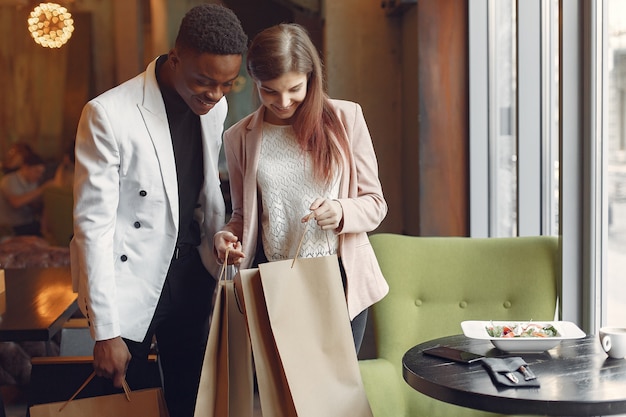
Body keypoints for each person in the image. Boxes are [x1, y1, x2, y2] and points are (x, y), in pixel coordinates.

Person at [70, 4, 247, 417]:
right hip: (130, 282)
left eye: (226, 84)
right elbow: (92, 228)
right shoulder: (109, 114)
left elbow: (202, 193)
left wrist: (221, 239)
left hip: (191, 277)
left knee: (192, 400)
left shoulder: (214, 109)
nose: (214, 95)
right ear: (175, 58)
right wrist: (105, 332)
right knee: (122, 403)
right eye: (204, 81)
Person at [213, 23, 389, 353]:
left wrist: (340, 210)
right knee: (284, 396)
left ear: (311, 76)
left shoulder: (346, 118)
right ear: (255, 83)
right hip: (275, 279)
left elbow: (375, 203)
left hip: (339, 278)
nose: (283, 101)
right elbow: (242, 215)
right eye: (269, 91)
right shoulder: (239, 137)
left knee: (336, 399)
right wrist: (224, 237)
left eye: (294, 88)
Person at [0, 151, 50, 236]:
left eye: (41, 173)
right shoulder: (9, 180)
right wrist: (43, 188)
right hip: (11, 226)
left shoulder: (33, 182)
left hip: (28, 223)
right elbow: (16, 202)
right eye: (36, 171)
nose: (39, 175)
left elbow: (32, 203)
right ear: (25, 168)